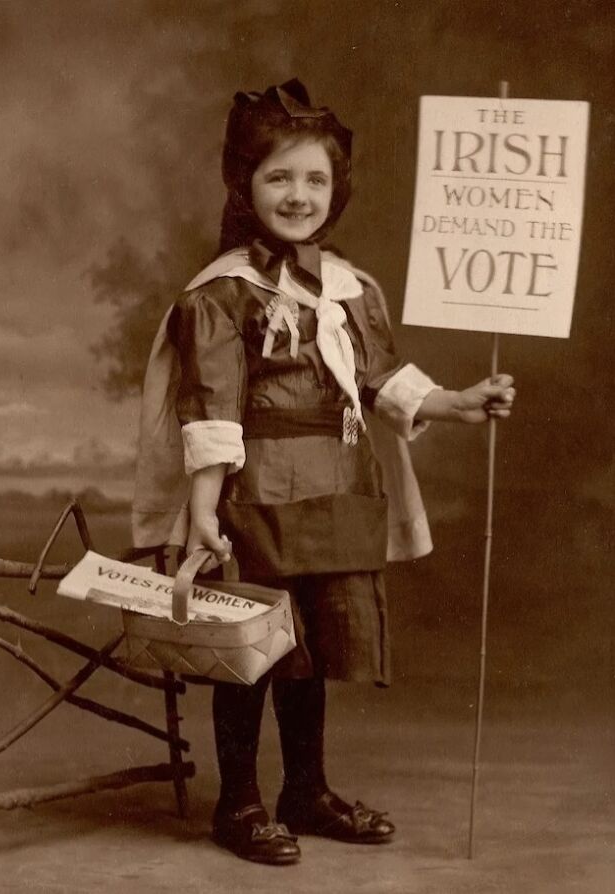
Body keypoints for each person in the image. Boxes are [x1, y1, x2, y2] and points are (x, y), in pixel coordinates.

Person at [132, 79, 515, 866]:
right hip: (258, 491)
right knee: (252, 648)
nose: (298, 194)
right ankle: (237, 803)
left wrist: (460, 402)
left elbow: (382, 378)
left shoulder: (348, 288)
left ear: (336, 190)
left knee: (309, 651)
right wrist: (205, 506)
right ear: (245, 185)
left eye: (314, 179)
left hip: (337, 488)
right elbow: (209, 406)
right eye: (279, 177)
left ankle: (303, 790)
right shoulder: (223, 293)